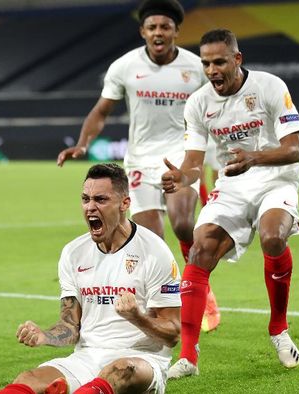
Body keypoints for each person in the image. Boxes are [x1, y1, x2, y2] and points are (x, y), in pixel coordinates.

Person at [0, 163, 182, 394]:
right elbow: (70, 328)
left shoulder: (154, 251)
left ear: (124, 203)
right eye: (85, 199)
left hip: (141, 362)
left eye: (101, 199)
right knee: (30, 379)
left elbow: (171, 334)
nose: (90, 207)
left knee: (120, 371)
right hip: (87, 358)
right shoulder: (73, 253)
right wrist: (45, 336)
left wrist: (136, 316)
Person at [56, 0, 220, 331]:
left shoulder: (195, 68)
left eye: (165, 26)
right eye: (152, 27)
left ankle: (202, 287)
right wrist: (83, 143)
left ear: (176, 30)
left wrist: (216, 158)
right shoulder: (125, 66)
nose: (158, 32)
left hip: (181, 155)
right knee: (149, 239)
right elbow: (102, 110)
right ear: (142, 31)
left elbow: (214, 111)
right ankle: (162, 303)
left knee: (183, 224)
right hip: (141, 161)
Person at [161, 29, 299, 379]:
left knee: (272, 237)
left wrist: (254, 158)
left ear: (237, 60)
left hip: (276, 178)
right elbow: (195, 160)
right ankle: (189, 357)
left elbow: (294, 149)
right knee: (200, 249)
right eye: (206, 63)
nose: (212, 70)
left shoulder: (270, 87)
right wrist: (183, 176)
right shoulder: (198, 103)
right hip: (234, 184)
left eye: (219, 62)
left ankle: (278, 330)